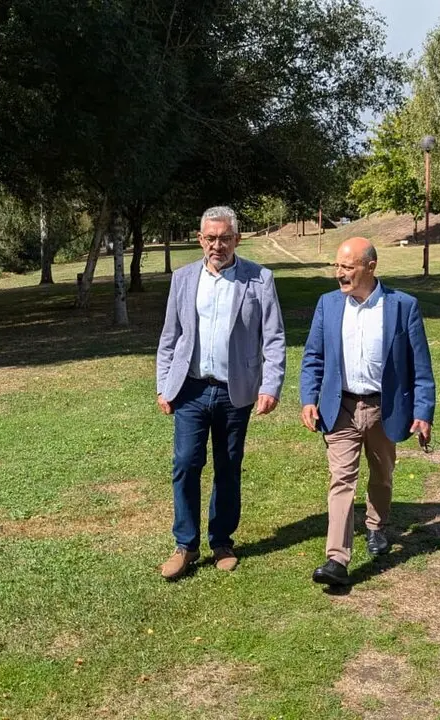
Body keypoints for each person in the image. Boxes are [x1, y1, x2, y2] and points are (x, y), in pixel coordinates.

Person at [155, 206, 286, 580]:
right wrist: (164, 385)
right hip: (191, 389)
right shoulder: (182, 279)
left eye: (225, 238)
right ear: (200, 240)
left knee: (228, 467)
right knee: (185, 465)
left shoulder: (259, 280)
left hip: (236, 392)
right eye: (210, 238)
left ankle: (222, 541)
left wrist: (270, 385)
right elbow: (170, 338)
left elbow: (274, 339)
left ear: (237, 240)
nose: (218, 245)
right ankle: (185, 545)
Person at [299, 237, 435, 587]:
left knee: (382, 473)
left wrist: (423, 412)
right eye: (337, 266)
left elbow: (420, 366)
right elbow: (313, 357)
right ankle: (337, 559)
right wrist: (308, 398)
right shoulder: (328, 305)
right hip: (340, 406)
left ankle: (376, 525)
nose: (339, 274)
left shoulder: (402, 306)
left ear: (370, 267)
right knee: (341, 479)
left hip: (384, 407)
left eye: (347, 267)